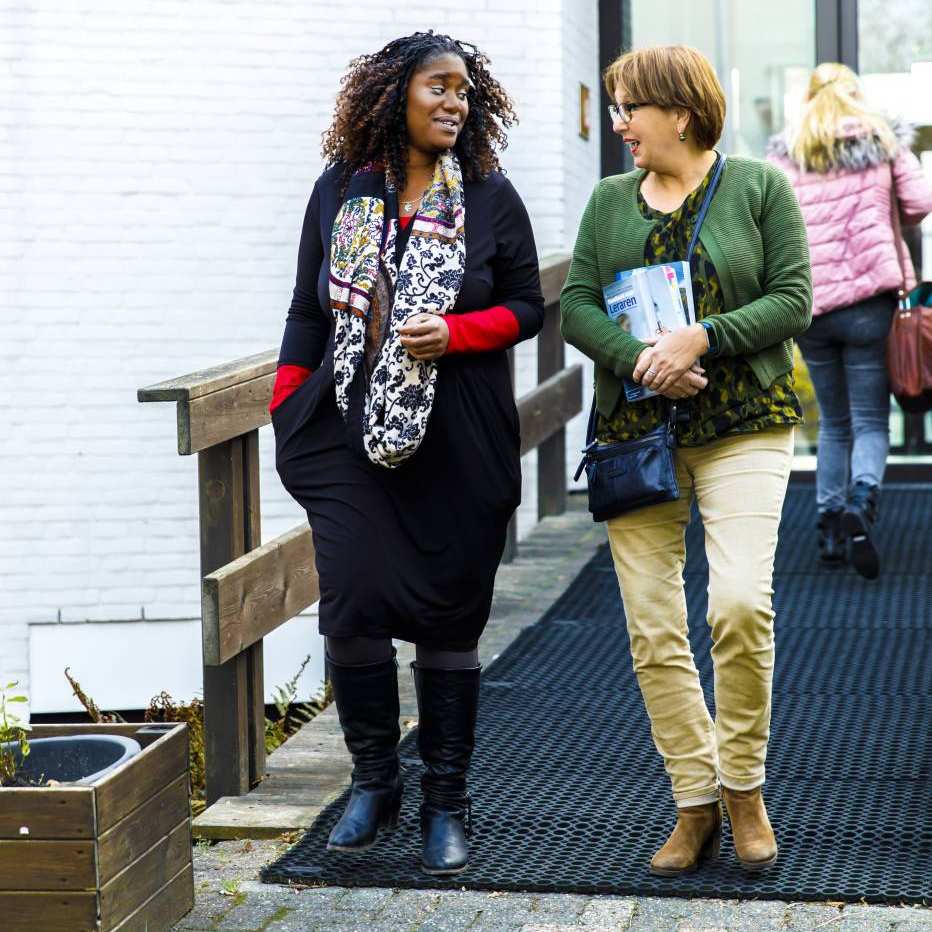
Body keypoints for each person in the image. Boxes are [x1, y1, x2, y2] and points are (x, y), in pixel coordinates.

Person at [270, 32, 544, 876]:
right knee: (350, 605)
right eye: (439, 86)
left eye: (465, 90)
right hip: (349, 432)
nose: (455, 102)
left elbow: (532, 305)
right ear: (395, 95)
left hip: (459, 438)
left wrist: (456, 333)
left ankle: (446, 801)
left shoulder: (492, 197)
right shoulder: (337, 194)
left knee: (448, 623)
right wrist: (288, 406)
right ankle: (374, 782)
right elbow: (307, 311)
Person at [561, 45, 811, 875]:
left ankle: (744, 787)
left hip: (745, 423)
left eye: (630, 107)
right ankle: (694, 801)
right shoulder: (606, 201)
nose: (620, 124)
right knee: (652, 624)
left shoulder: (758, 187)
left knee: (739, 604)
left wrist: (703, 335)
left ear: (681, 110)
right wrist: (641, 361)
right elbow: (577, 305)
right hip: (638, 434)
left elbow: (793, 298)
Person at [767, 62, 932, 579]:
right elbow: (921, 203)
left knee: (833, 423)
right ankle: (863, 499)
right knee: (869, 420)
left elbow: (769, 222)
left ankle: (829, 527)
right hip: (869, 303)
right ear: (857, 96)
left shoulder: (790, 151)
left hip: (811, 305)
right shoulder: (883, 143)